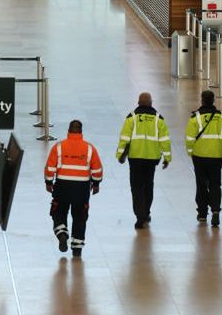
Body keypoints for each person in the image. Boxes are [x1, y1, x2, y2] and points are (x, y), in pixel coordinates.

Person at [44, 120, 103, 258]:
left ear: (69, 131)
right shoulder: (89, 148)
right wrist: (96, 184)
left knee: (58, 211)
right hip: (81, 189)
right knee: (80, 217)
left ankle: (62, 233)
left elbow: (50, 167)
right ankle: (77, 248)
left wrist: (48, 182)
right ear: (81, 131)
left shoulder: (59, 147)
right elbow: (97, 169)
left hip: (62, 186)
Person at [116, 92, 171, 229]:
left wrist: (120, 155)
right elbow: (165, 140)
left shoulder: (131, 118)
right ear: (151, 103)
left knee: (136, 187)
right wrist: (167, 158)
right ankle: (146, 212)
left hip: (135, 158)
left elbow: (124, 138)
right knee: (148, 186)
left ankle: (140, 216)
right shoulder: (159, 119)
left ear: (138, 103)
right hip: (152, 159)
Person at [185, 90, 222, 227]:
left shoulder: (195, 118)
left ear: (202, 100)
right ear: (213, 101)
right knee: (215, 185)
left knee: (201, 185)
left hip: (199, 157)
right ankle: (216, 211)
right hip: (216, 156)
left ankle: (202, 214)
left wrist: (190, 153)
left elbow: (189, 139)